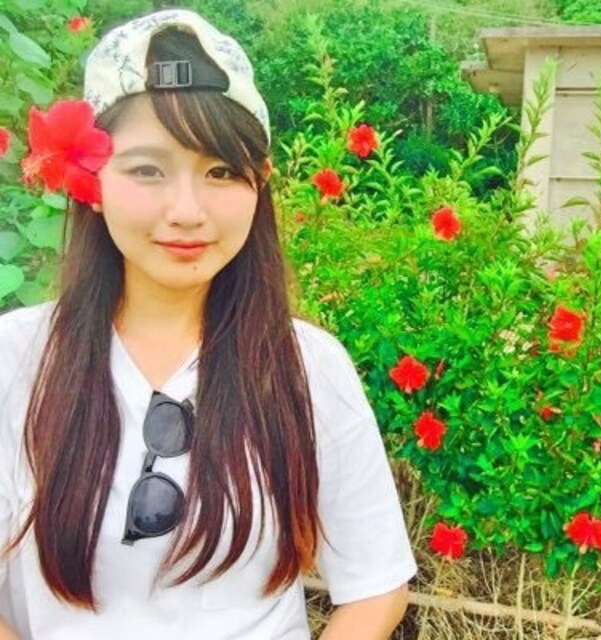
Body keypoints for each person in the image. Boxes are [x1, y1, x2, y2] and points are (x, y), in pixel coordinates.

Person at [0, 8, 416, 639]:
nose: (187, 210)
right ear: (91, 182)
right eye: (147, 170)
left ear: (260, 184)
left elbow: (375, 587)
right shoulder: (16, 358)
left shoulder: (307, 367)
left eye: (221, 171)